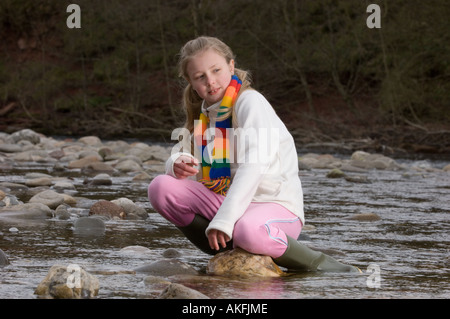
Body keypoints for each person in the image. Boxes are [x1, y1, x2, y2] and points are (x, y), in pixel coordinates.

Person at [148, 36, 360, 272]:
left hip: (274, 204)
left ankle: (328, 267)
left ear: (231, 66)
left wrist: (225, 220)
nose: (211, 81)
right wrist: (176, 164)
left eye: (216, 70)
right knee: (160, 188)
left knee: (247, 231)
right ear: (191, 82)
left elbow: (254, 165)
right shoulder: (205, 115)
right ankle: (222, 248)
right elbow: (189, 162)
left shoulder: (251, 102)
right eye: (200, 77)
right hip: (227, 201)